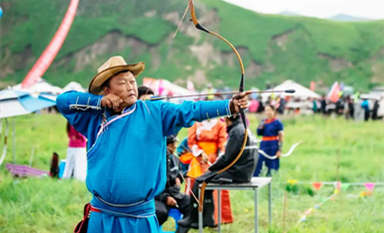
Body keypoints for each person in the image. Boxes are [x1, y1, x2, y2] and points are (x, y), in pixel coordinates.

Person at [56, 56, 249, 233]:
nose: (131, 87)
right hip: (102, 216)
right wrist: (99, 102)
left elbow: (190, 110)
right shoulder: (95, 117)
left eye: (132, 81)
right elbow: (63, 101)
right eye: (122, 83)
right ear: (107, 90)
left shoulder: (154, 112)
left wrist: (229, 106)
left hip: (139, 217)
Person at [177, 114, 257, 232]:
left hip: (231, 169)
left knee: (200, 182)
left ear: (228, 119)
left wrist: (213, 168)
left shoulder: (235, 131)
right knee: (200, 182)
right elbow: (191, 142)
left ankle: (194, 219)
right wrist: (201, 154)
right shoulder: (242, 128)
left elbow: (226, 155)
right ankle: (206, 218)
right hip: (235, 168)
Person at [186, 118, 233, 225]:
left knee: (216, 186)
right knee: (195, 184)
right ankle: (194, 217)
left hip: (214, 159)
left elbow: (223, 143)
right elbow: (191, 141)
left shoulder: (220, 125)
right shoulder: (196, 124)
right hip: (199, 158)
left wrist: (220, 160)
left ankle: (216, 219)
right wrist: (200, 153)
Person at [155, 135, 190, 226]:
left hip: (174, 194)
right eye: (173, 144)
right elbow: (152, 186)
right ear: (167, 145)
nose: (175, 146)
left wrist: (179, 178)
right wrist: (165, 197)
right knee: (161, 213)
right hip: (158, 197)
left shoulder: (175, 159)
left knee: (191, 204)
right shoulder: (156, 161)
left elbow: (179, 173)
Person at [253, 104, 284, 177]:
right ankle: (256, 177)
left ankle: (271, 179)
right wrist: (260, 127)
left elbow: (281, 136)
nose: (268, 112)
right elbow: (258, 133)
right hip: (263, 145)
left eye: (269, 110)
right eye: (266, 110)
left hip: (273, 145)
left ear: (273, 111)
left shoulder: (277, 122)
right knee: (259, 160)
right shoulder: (263, 121)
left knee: (272, 164)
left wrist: (279, 150)